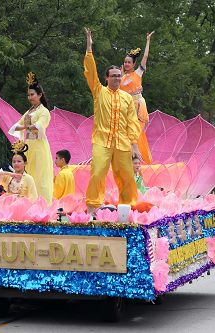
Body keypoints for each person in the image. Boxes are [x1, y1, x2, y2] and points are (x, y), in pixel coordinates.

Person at [83, 28, 142, 212]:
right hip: (102, 141)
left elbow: (132, 122)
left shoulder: (126, 98)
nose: (117, 78)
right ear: (106, 78)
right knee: (98, 172)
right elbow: (90, 72)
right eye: (113, 76)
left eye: (119, 75)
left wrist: (134, 145)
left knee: (126, 175)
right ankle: (93, 207)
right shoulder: (99, 92)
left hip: (122, 143)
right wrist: (89, 48)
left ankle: (127, 209)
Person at [8, 72, 54, 203]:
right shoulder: (29, 112)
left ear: (40, 95)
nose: (30, 97)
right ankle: (27, 203)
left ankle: (42, 204)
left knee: (40, 177)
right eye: (28, 95)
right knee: (28, 175)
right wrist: (26, 126)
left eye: (32, 94)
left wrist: (27, 126)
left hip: (39, 147)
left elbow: (39, 126)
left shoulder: (43, 111)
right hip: (28, 147)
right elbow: (15, 127)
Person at [120, 31, 154, 164]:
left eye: (129, 62)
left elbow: (145, 57)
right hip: (126, 108)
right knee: (128, 134)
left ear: (134, 64)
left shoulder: (138, 73)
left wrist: (148, 41)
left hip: (138, 107)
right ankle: (128, 159)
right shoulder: (121, 78)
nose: (127, 64)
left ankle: (140, 160)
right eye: (125, 62)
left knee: (138, 133)